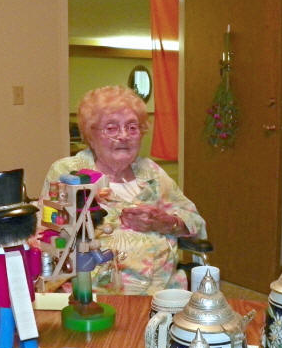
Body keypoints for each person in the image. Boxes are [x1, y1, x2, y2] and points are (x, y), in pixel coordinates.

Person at [42, 85, 206, 294]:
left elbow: (197, 224)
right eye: (111, 128)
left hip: (165, 291)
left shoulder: (152, 173)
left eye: (132, 127)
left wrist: (165, 222)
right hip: (99, 294)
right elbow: (48, 236)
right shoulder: (69, 173)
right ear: (90, 135)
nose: (123, 136)